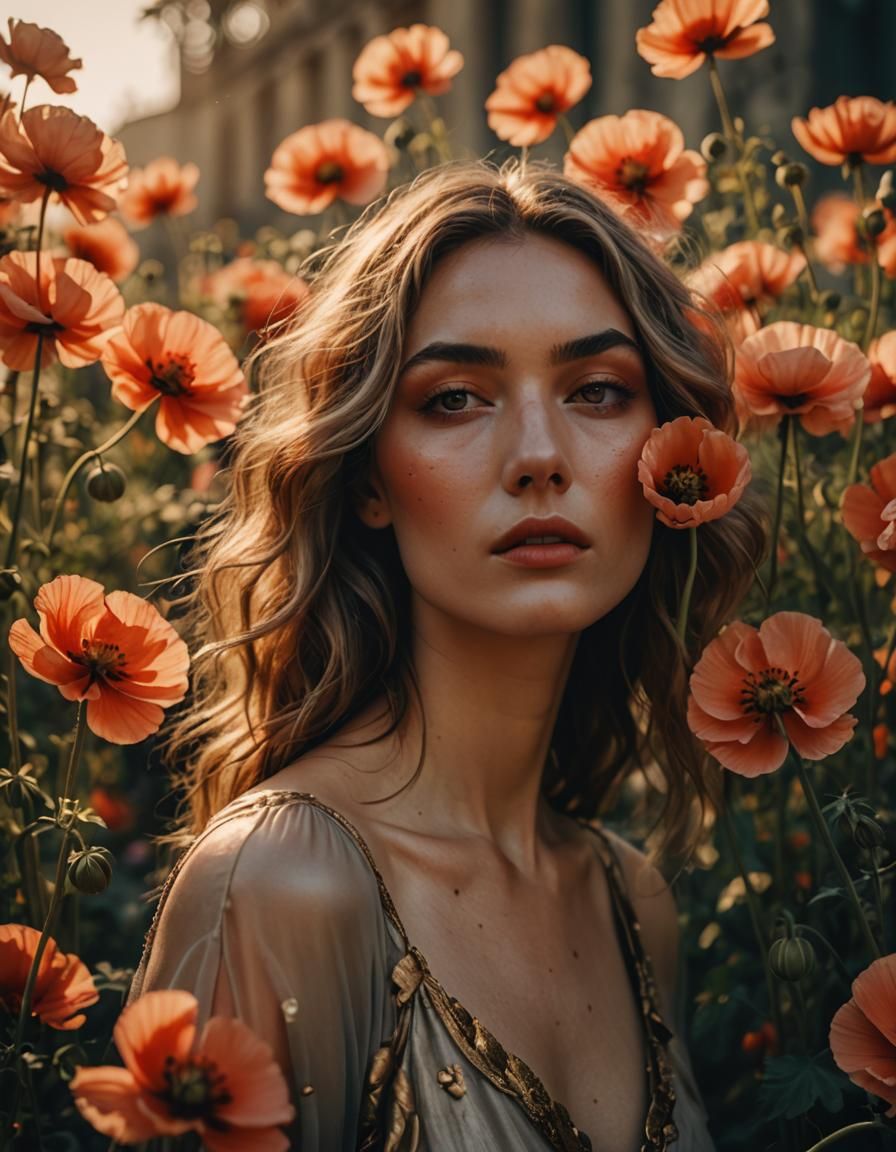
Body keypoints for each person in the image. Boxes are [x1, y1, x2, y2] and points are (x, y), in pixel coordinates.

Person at [127, 160, 765, 1151]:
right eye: (456, 398)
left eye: (598, 390)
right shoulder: (281, 883)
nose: (538, 455)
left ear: (667, 447)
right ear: (366, 479)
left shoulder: (632, 902)